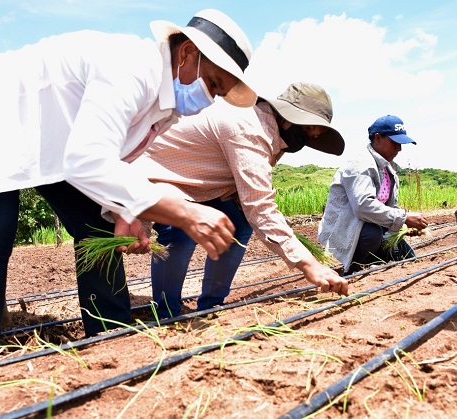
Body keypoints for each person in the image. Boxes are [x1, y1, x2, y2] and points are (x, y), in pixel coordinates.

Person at [0, 9, 256, 367]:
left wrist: (123, 210)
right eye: (213, 84)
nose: (210, 99)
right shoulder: (133, 67)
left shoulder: (166, 109)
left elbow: (113, 159)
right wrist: (183, 211)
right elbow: (87, 160)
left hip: (59, 139)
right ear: (186, 53)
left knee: (97, 226)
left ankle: (111, 337)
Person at [132, 82, 350, 319]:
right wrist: (310, 265)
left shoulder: (274, 133)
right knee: (179, 229)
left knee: (240, 222)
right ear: (288, 117)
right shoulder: (250, 130)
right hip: (163, 177)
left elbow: (249, 196)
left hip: (203, 186)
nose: (311, 136)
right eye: (308, 129)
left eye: (315, 134)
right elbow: (261, 208)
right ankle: (165, 313)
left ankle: (211, 305)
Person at [318, 115, 429, 275]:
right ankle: (353, 269)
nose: (399, 148)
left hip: (371, 226)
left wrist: (404, 225)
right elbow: (363, 206)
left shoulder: (387, 168)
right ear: (378, 138)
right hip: (346, 229)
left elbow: (388, 207)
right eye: (395, 142)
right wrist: (404, 218)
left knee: (408, 257)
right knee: (373, 233)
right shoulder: (360, 165)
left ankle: (371, 261)